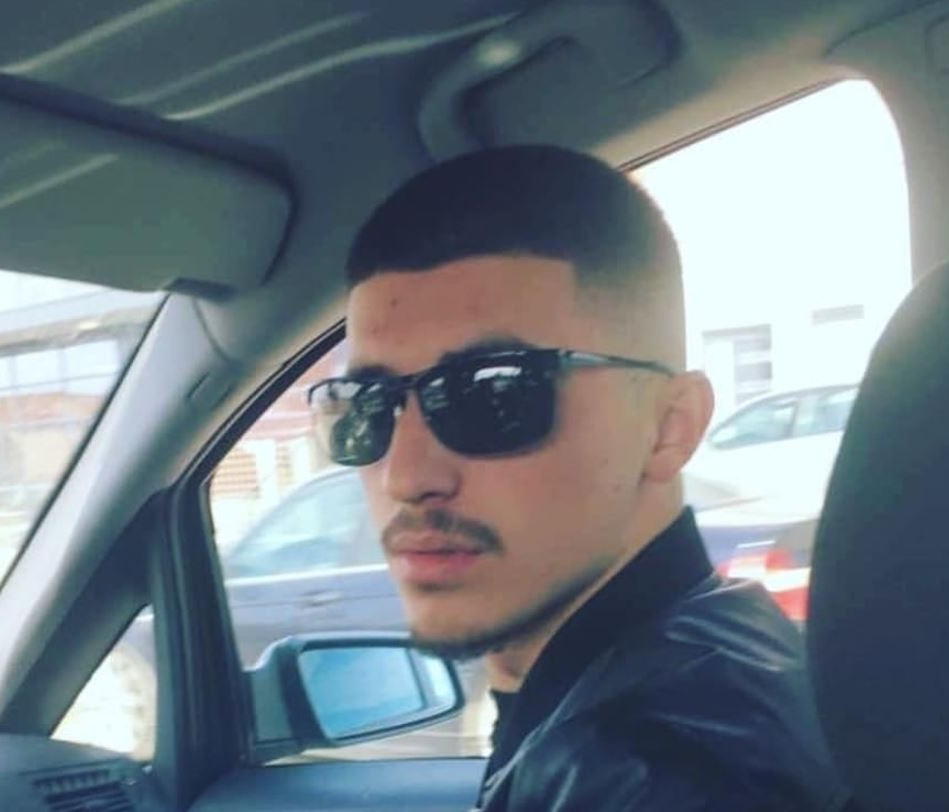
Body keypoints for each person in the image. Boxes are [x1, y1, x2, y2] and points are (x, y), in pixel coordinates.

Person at [308, 146, 848, 810]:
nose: (404, 476)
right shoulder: (731, 633)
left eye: (495, 395)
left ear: (669, 426)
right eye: (365, 406)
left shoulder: (644, 774)